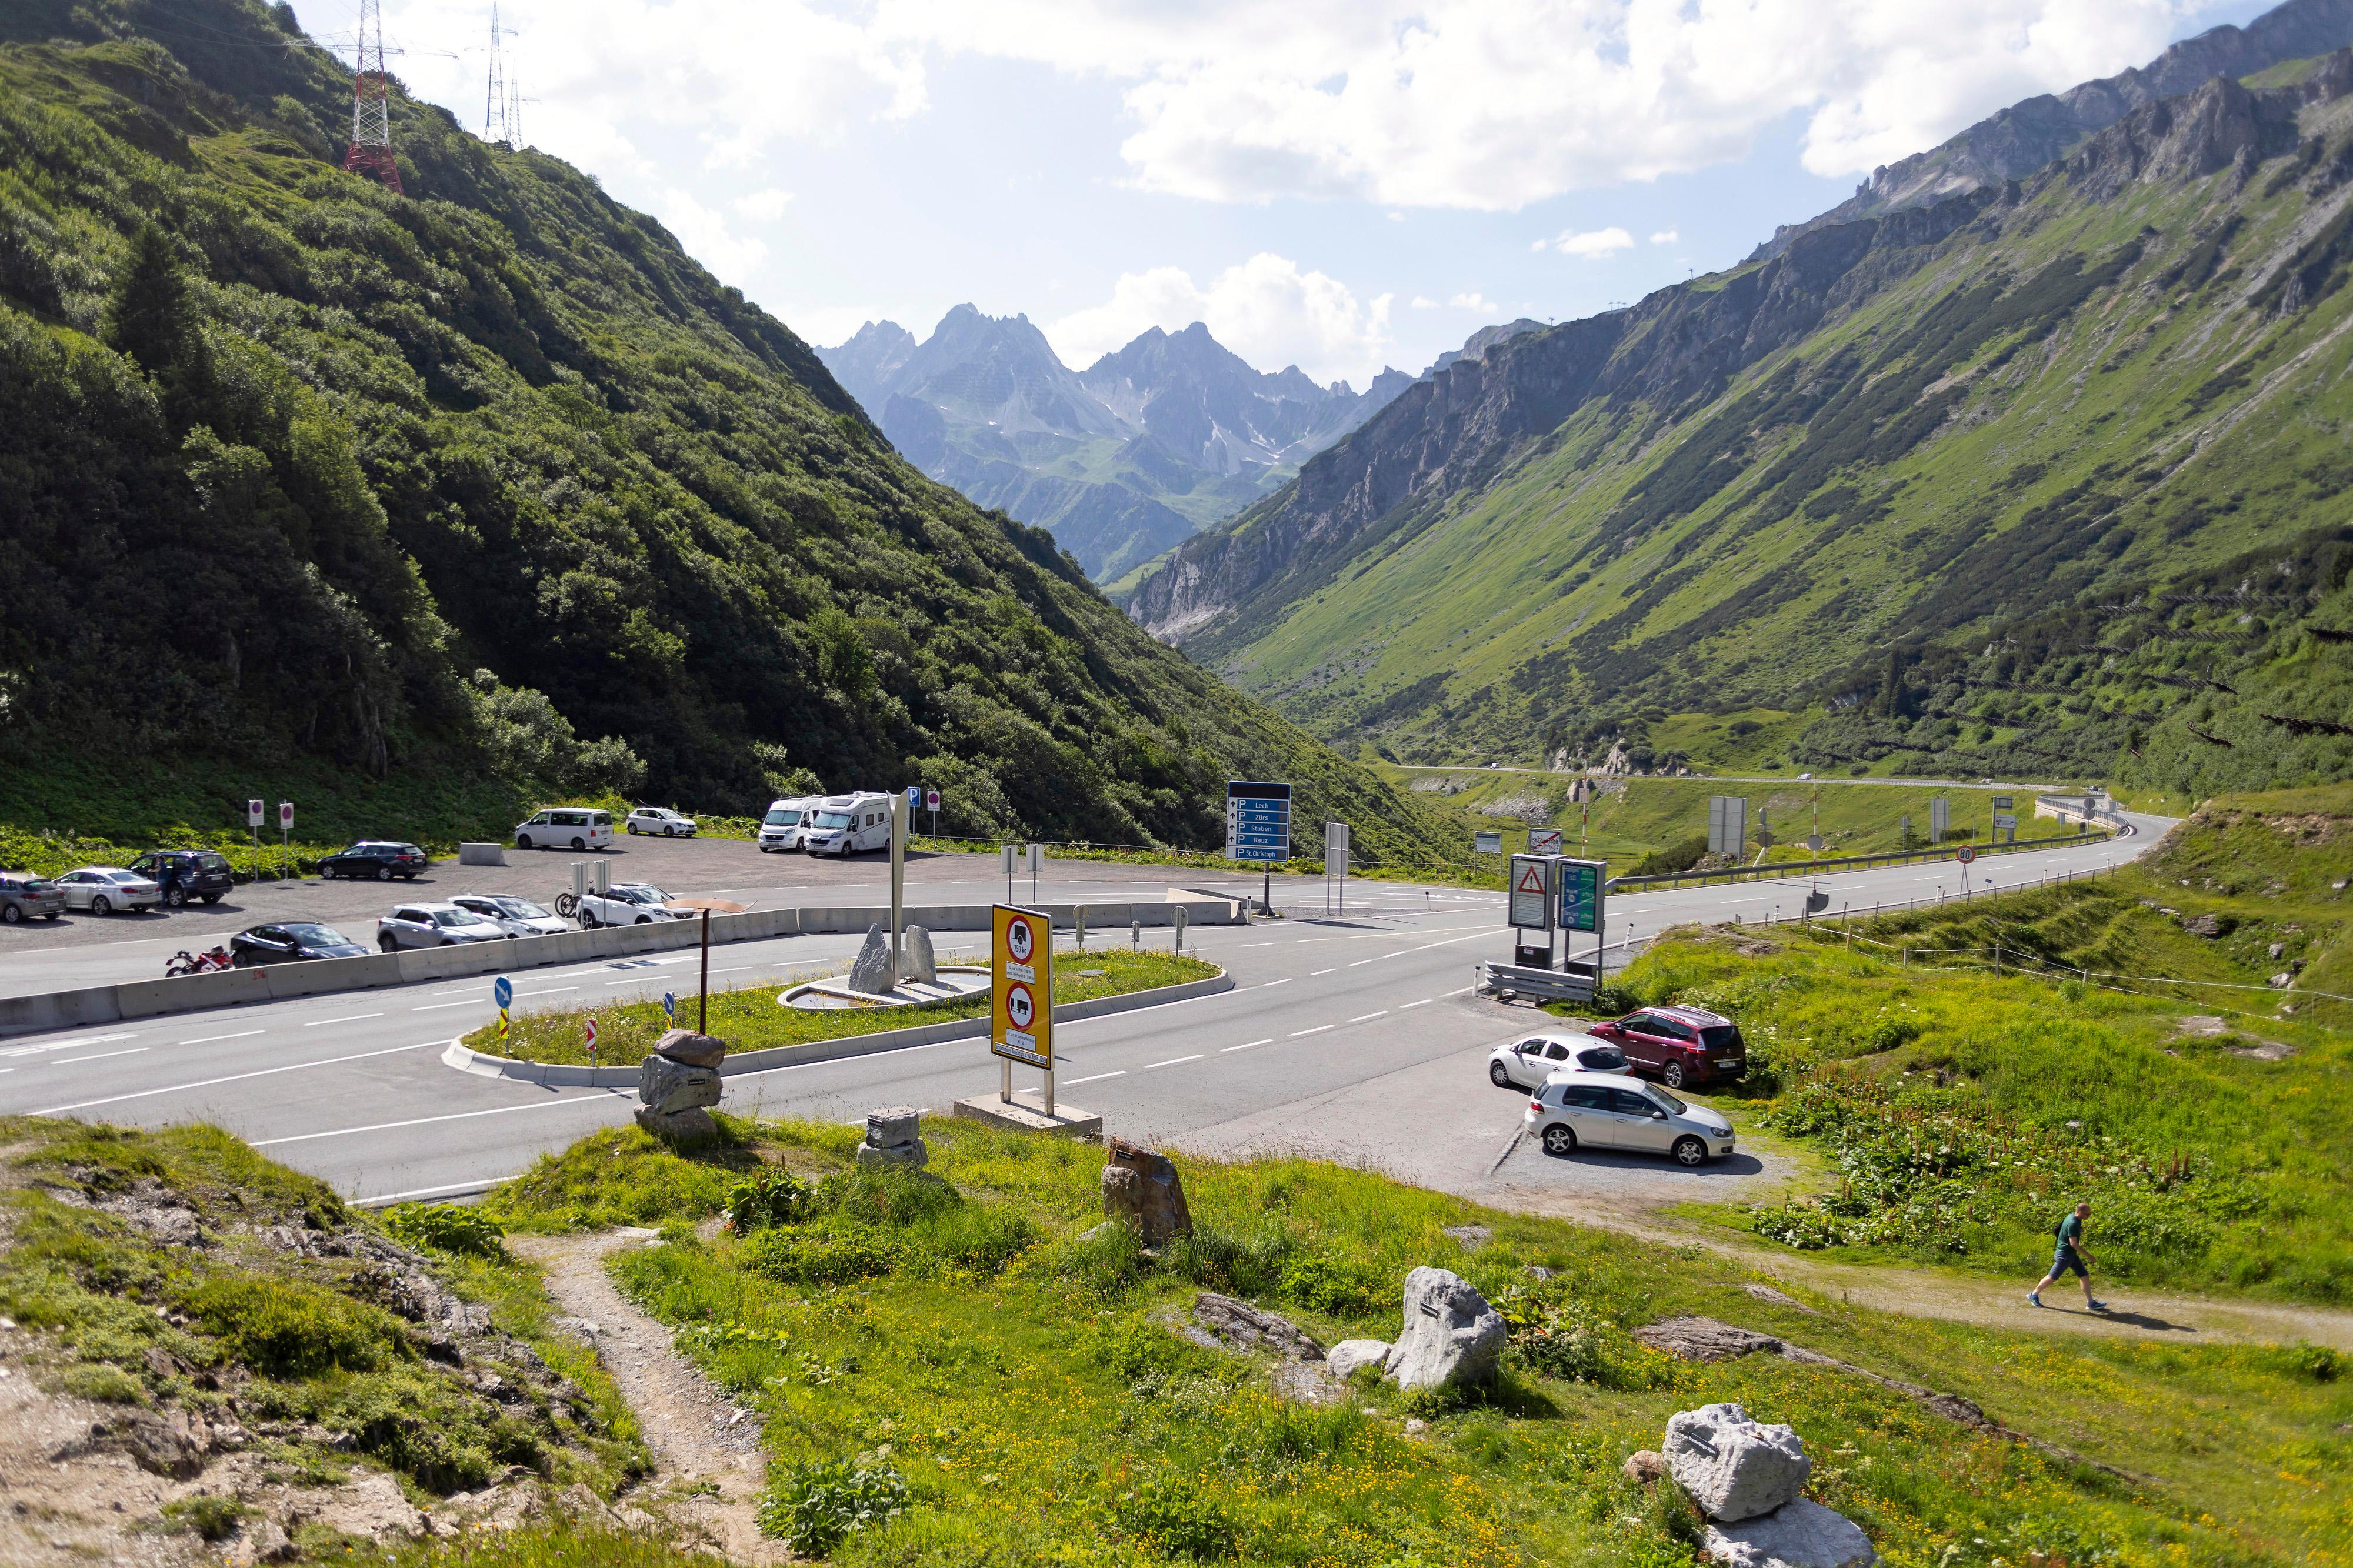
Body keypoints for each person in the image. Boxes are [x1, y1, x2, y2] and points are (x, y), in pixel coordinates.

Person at [2029, 1200, 2106, 1311]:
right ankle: (2034, 1294)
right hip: (2065, 1255)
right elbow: (2073, 1243)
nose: (2089, 1217)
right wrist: (2089, 1256)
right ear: (2080, 1212)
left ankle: (2091, 1303)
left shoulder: (2071, 1216)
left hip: (2071, 1255)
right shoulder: (2073, 1223)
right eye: (2087, 1215)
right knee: (2052, 1277)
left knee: (2084, 1276)